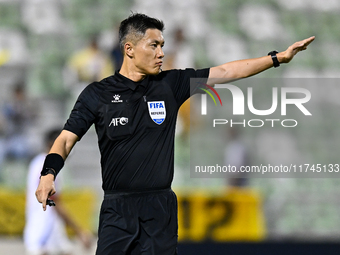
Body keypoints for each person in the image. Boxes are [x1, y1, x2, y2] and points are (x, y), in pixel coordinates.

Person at [35, 13, 315, 255]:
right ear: (129, 48)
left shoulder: (171, 84)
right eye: (154, 45)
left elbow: (227, 70)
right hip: (117, 210)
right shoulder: (97, 94)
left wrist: (277, 58)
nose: (161, 53)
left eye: (162, 46)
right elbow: (66, 138)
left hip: (160, 209)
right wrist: (48, 173)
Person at [24, 128, 92, 255]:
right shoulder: (48, 168)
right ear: (52, 144)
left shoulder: (36, 163)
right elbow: (56, 204)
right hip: (44, 230)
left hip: (40, 227)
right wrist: (79, 232)